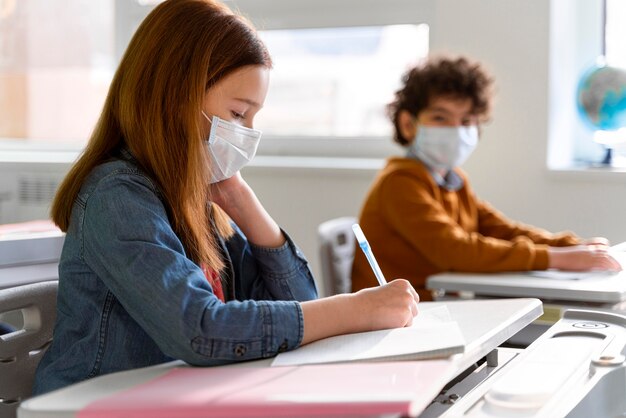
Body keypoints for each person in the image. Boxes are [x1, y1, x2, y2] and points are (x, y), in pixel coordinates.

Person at [33, 0, 419, 395]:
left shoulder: (198, 201)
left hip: (176, 396)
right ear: (174, 97)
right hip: (95, 404)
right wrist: (357, 308)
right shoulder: (117, 196)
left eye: (254, 118)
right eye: (238, 114)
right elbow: (200, 329)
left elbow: (300, 301)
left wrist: (240, 201)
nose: (248, 134)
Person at [351, 56, 621, 301]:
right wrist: (555, 258)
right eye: (440, 117)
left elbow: (501, 229)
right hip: (403, 317)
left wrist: (571, 245)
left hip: (438, 305)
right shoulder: (399, 183)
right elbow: (456, 250)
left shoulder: (453, 181)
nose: (456, 130)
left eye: (467, 121)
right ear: (408, 124)